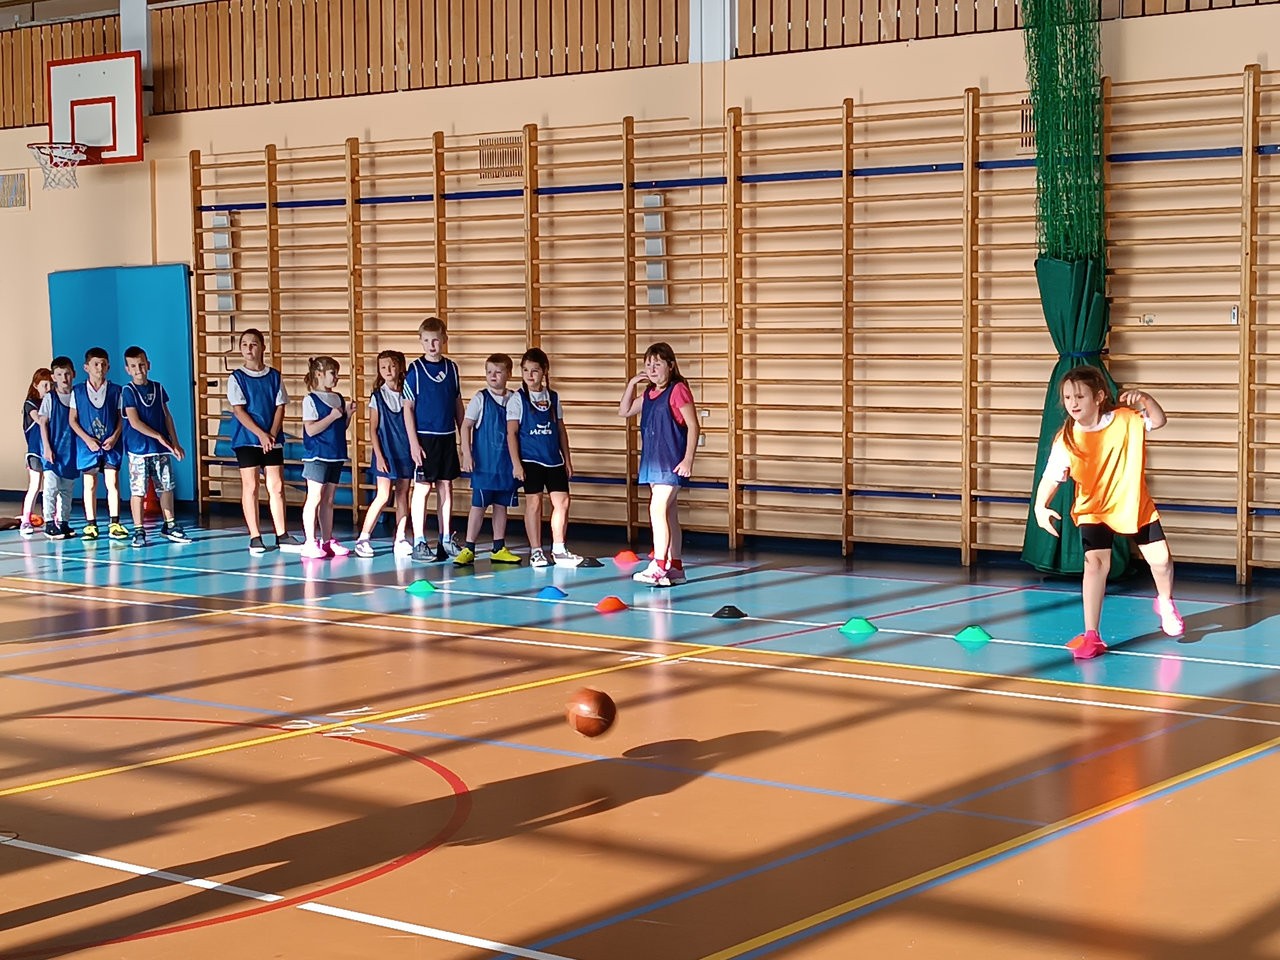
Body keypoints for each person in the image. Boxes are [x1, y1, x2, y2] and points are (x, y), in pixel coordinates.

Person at [1033, 365, 1184, 660]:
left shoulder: (1126, 420)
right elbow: (1052, 476)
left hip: (1132, 504)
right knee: (1094, 566)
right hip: (1094, 510)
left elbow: (1158, 420)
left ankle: (1165, 601)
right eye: (1067, 397)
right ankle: (1092, 634)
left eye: (1080, 396)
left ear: (1099, 397)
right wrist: (1041, 506)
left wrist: (1147, 399)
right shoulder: (1067, 438)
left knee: (1161, 561)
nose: (1073, 403)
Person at [618, 342, 699, 586]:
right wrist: (632, 384)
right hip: (653, 462)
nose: (652, 369)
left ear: (670, 366)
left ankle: (659, 565)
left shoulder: (677, 390)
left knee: (656, 509)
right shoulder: (648, 395)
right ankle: (676, 567)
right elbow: (624, 411)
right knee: (669, 514)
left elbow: (693, 425)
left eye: (658, 364)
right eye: (648, 365)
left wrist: (688, 458)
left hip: (671, 463)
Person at [227, 328, 301, 555]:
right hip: (247, 439)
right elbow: (239, 411)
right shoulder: (236, 377)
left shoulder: (274, 376)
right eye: (244, 344)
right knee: (250, 486)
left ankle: (282, 534)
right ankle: (255, 537)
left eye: (253, 344)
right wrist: (260, 434)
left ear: (262, 347)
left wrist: (271, 434)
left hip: (272, 439)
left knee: (276, 486)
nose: (249, 348)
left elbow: (280, 407)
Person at [506, 348, 582, 568]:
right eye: (525, 370)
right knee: (534, 503)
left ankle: (559, 548)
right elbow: (511, 433)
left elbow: (560, 430)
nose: (530, 375)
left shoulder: (553, 397)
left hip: (554, 460)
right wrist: (516, 464)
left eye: (535, 371)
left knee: (563, 502)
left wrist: (567, 459)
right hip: (531, 460)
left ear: (544, 371)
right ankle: (536, 551)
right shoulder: (518, 399)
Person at [402, 316, 465, 562]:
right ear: (420, 341)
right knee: (422, 488)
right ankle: (419, 541)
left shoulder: (452, 369)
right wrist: (413, 443)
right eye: (427, 341)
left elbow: (457, 405)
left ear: (444, 340)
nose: (432, 345)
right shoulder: (415, 371)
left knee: (445, 486)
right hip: (425, 438)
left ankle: (446, 538)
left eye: (436, 340)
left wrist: (464, 440)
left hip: (447, 436)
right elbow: (408, 409)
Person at [120, 346, 191, 547]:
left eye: (141, 364)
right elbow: (134, 422)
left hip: (161, 449)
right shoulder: (128, 391)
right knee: (138, 490)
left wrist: (174, 442)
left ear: (148, 365)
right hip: (139, 450)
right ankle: (138, 530)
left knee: (166, 487)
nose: (138, 369)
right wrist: (159, 436)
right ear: (127, 369)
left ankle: (170, 525)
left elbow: (167, 416)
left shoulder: (158, 388)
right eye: (133, 366)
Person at [456, 353, 522, 567]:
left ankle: (498, 547)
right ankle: (469, 547)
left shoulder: (515, 399)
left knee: (501, 506)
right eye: (489, 372)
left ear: (509, 374)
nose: (493, 376)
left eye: (498, 372)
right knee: (479, 506)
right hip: (484, 465)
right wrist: (467, 453)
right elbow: (465, 426)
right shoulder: (480, 398)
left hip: (506, 465)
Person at [353, 350, 413, 558]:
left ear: (400, 367)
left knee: (403, 494)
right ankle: (363, 538)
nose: (388, 370)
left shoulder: (408, 394)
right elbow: (372, 429)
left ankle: (401, 538)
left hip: (405, 451)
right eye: (383, 367)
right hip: (385, 452)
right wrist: (379, 456)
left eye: (392, 366)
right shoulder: (377, 397)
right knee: (383, 495)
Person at [299, 356, 356, 560]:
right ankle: (309, 541)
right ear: (319, 374)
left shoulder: (338, 398)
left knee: (328, 499)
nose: (336, 377)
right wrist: (332, 416)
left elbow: (340, 427)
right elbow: (311, 430)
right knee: (314, 497)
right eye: (333, 373)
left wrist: (348, 415)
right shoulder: (310, 400)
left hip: (336, 454)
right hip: (317, 455)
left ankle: (327, 539)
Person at [68, 347, 126, 541]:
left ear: (108, 367)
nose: (99, 367)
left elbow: (121, 418)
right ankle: (91, 524)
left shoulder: (116, 391)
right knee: (90, 484)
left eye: (103, 364)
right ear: (86, 367)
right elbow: (72, 420)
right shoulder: (77, 391)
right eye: (95, 364)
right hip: (88, 446)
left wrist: (115, 437)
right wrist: (87, 439)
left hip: (110, 444)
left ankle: (115, 523)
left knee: (112, 482)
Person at [36, 356, 79, 540]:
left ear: (73, 374)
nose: (64, 378)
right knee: (51, 488)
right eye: (59, 374)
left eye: (67, 374)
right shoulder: (50, 398)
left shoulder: (78, 396)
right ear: (53, 377)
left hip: (71, 451)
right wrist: (46, 447)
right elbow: (42, 423)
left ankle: (63, 522)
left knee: (67, 490)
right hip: (53, 450)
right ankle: (49, 522)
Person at [20, 367, 51, 538]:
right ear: (35, 385)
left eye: (51, 385)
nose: (48, 388)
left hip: (50, 450)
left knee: (51, 486)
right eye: (45, 385)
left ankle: (52, 519)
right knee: (35, 485)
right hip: (35, 452)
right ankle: (26, 520)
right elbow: (39, 419)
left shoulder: (52, 402)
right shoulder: (30, 404)